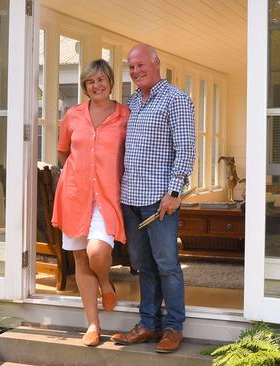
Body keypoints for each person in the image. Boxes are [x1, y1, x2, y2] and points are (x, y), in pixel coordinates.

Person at [111, 44, 195, 353]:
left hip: (160, 201)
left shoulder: (176, 99)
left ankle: (173, 328)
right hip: (130, 198)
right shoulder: (132, 102)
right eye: (131, 67)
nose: (135, 71)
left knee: (167, 265)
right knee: (142, 265)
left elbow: (186, 151)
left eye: (140, 65)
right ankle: (147, 324)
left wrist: (174, 193)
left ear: (156, 63)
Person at [51, 59, 129, 347]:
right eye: (90, 82)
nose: (96, 85)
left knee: (97, 251)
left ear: (110, 81)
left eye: (101, 79)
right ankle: (93, 325)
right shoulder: (73, 115)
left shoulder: (124, 115)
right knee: (80, 257)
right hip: (75, 195)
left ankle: (106, 283)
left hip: (108, 196)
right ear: (85, 86)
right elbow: (63, 152)